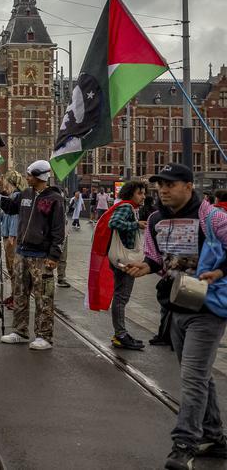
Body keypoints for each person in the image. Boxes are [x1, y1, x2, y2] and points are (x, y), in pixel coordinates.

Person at [121, 164, 227, 469]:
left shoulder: (212, 218)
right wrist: (146, 267)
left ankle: (184, 444)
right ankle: (216, 437)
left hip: (208, 309)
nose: (163, 190)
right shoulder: (155, 219)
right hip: (175, 306)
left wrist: (220, 270)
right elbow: (156, 258)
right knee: (199, 375)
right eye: (159, 185)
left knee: (192, 376)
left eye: (170, 184)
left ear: (189, 185)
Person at [0, 160, 66, 351]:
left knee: (43, 298)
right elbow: (10, 207)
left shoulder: (54, 199)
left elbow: (59, 230)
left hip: (41, 256)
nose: (26, 178)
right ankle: (20, 331)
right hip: (22, 252)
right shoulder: (26, 194)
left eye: (29, 175)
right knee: (20, 294)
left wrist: (54, 256)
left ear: (39, 176)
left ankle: (44, 336)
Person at [102, 180, 147, 351]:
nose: (143, 196)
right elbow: (114, 223)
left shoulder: (129, 207)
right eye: (140, 193)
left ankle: (120, 333)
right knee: (121, 297)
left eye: (143, 193)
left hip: (123, 257)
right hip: (124, 258)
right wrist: (136, 224)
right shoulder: (126, 207)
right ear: (130, 194)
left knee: (121, 296)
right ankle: (120, 334)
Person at [0, 170, 24, 309]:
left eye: (5, 181)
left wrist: (12, 235)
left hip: (11, 237)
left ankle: (17, 298)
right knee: (10, 267)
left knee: (14, 267)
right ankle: (14, 294)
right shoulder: (10, 196)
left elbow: (15, 216)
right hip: (7, 234)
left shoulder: (17, 197)